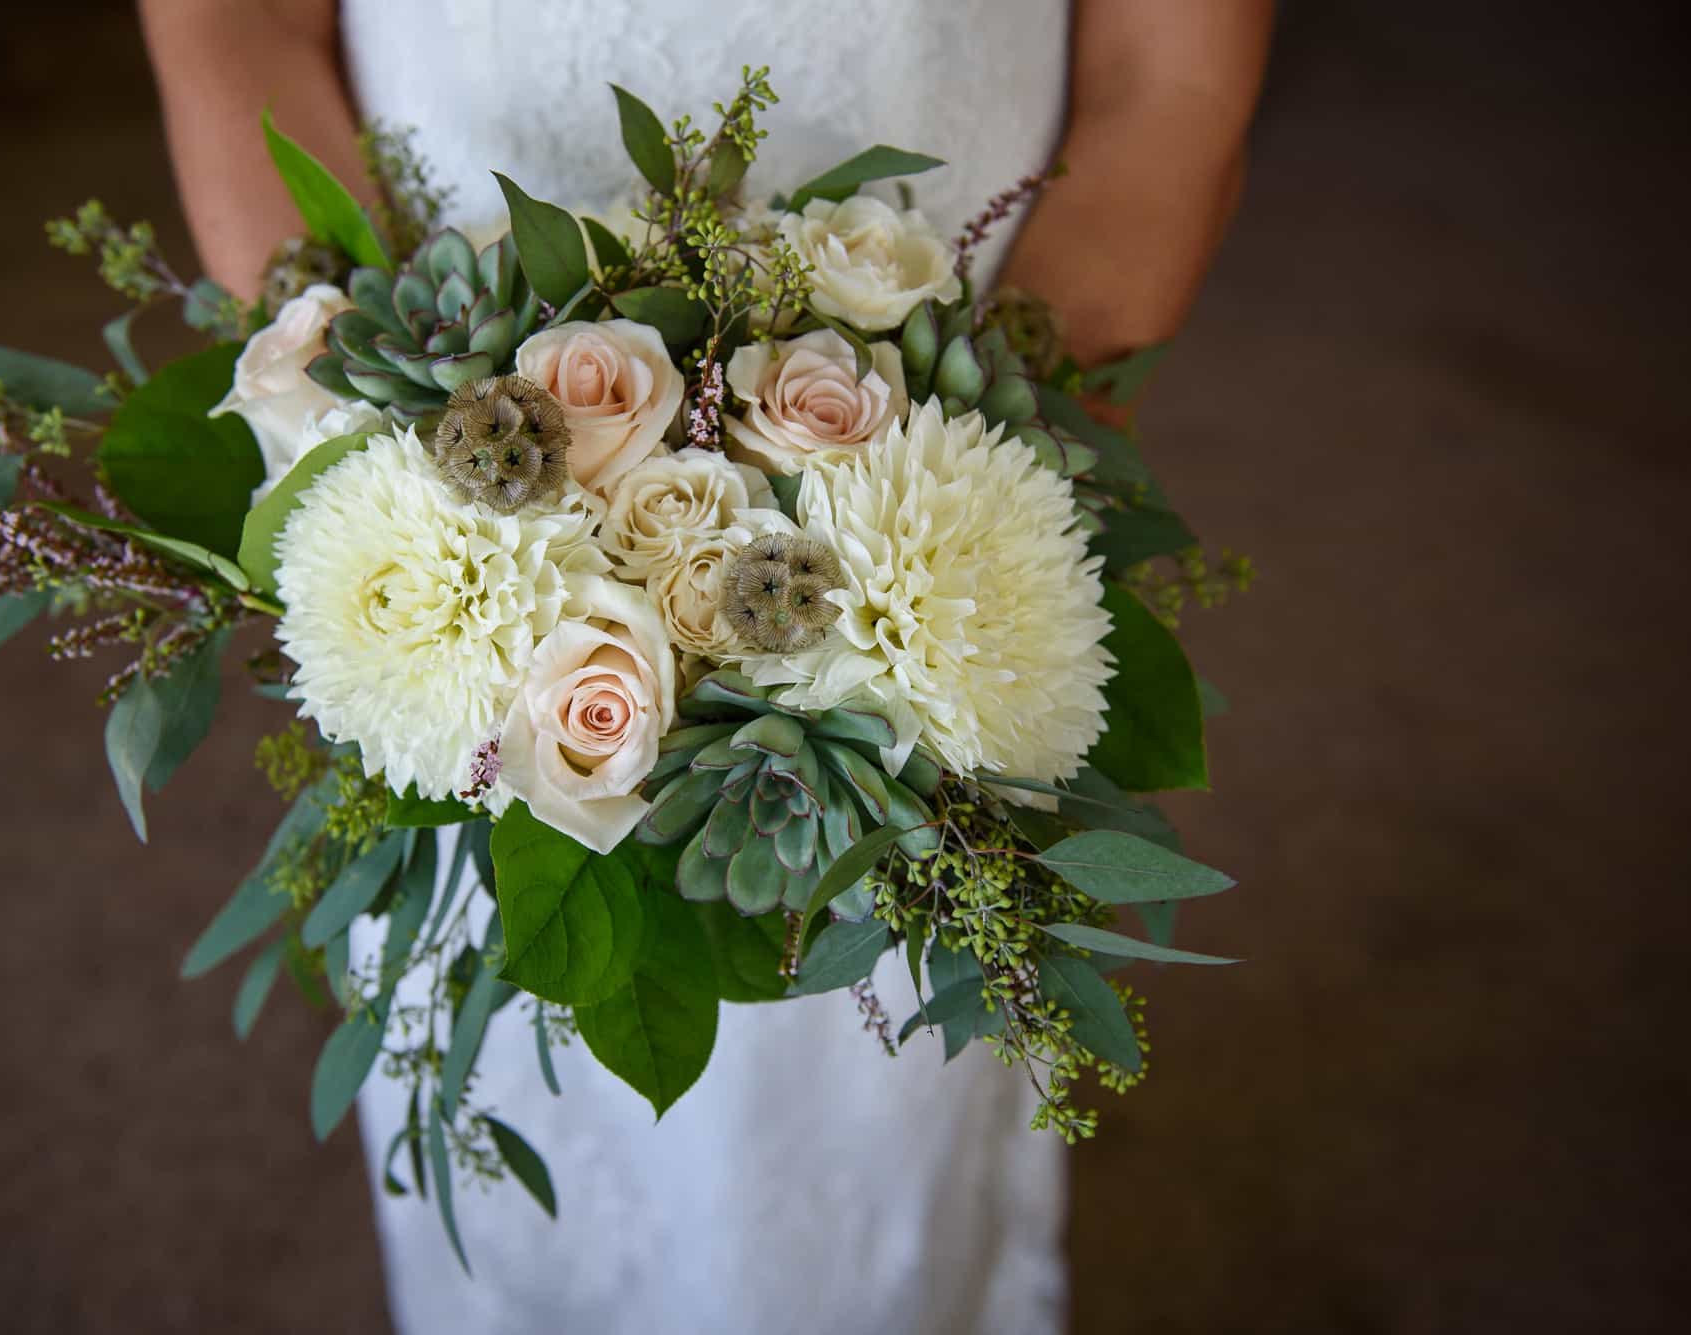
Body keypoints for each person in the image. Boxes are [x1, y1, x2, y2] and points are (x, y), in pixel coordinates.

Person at [140, 3, 1273, 1331]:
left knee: (884, 1018)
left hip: (945, 351)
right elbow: (238, 29)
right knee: (509, 995)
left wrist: (991, 447)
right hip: (453, 352)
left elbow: (1170, 73)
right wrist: (371, 420)